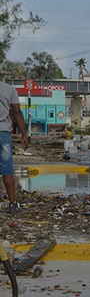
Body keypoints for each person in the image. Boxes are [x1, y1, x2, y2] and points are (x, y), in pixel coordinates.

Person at [0, 81, 28, 213]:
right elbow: (17, 112)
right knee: (7, 170)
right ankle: (13, 204)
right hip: (3, 134)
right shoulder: (10, 89)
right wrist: (24, 134)